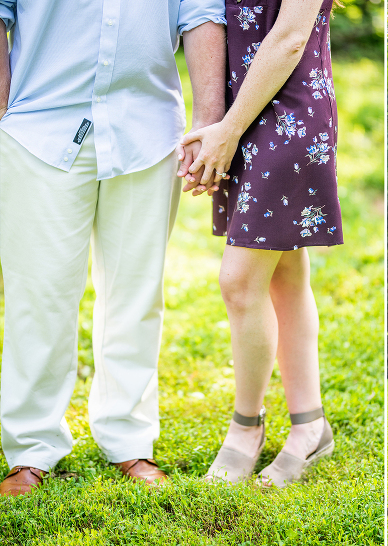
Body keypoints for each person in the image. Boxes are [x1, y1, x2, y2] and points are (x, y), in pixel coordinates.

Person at [0, 1, 227, 496]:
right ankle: (31, 450)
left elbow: (202, 12)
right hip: (39, 127)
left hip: (146, 129)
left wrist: (209, 122)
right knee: (37, 296)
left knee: (136, 294)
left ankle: (129, 440)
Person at [175, 0, 343, 487]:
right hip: (242, 111)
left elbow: (291, 36)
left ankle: (245, 430)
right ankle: (310, 425)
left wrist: (226, 130)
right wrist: (216, 120)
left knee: (239, 281)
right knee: (286, 276)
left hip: (288, 113)